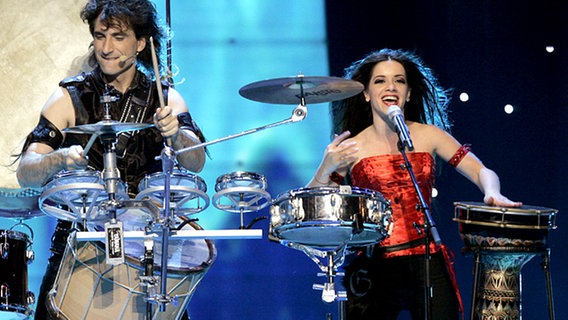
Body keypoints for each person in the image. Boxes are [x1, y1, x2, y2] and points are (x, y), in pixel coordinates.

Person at [15, 0, 206, 319]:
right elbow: (26, 171)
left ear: (141, 43)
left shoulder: (165, 98)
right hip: (79, 242)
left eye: (118, 36)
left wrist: (176, 134)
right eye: (100, 35)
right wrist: (60, 158)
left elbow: (196, 160)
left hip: (146, 247)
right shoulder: (68, 98)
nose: (106, 47)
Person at [306, 48, 522, 319]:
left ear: (408, 93)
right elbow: (313, 202)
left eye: (399, 80)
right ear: (366, 94)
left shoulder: (428, 135)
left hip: (427, 260)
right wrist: (325, 167)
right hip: (375, 265)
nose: (391, 86)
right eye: (380, 80)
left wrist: (492, 192)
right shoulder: (351, 147)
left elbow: (480, 170)